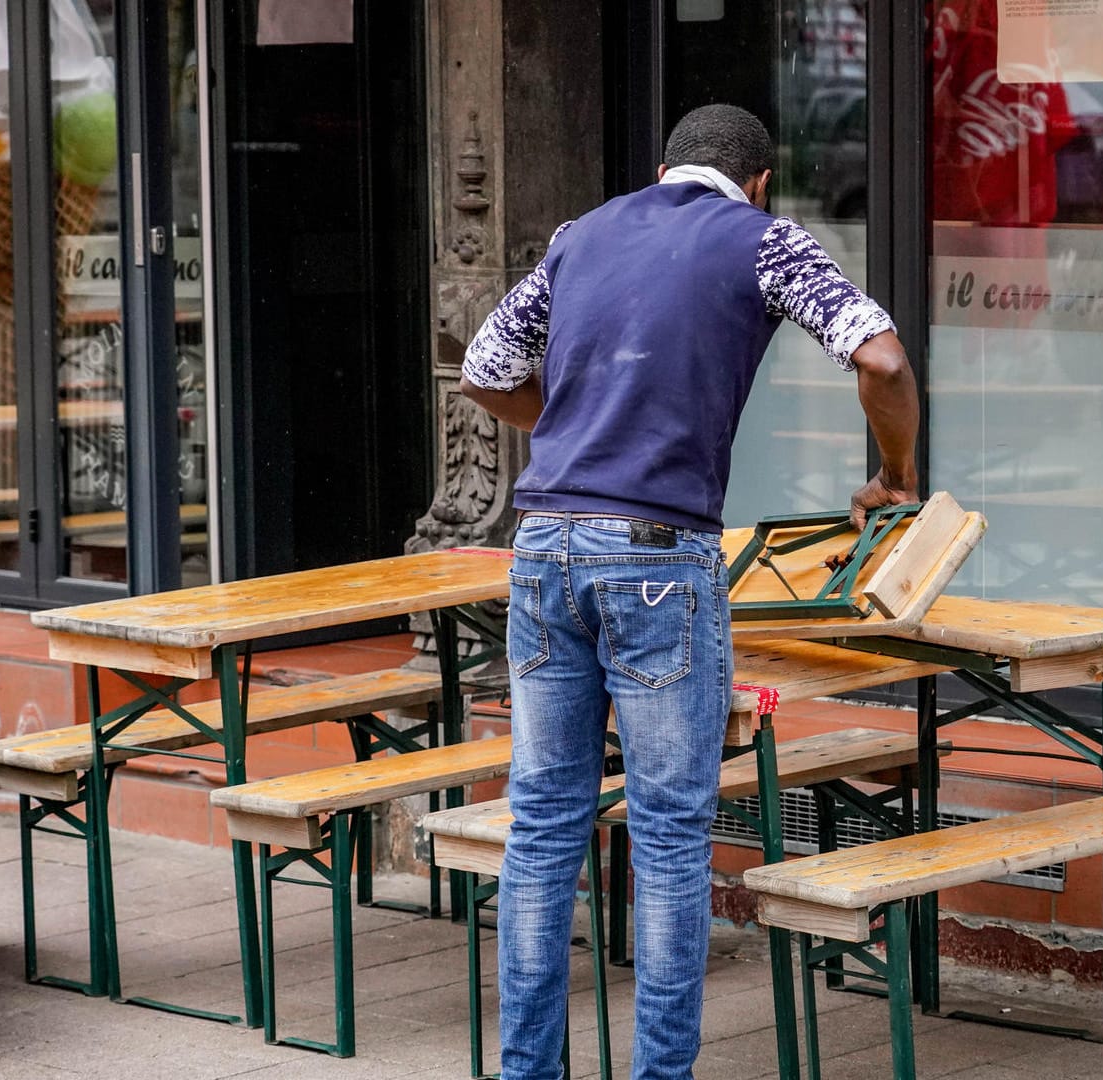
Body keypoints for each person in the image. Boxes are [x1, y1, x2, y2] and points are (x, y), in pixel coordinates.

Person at [458, 103, 921, 1080]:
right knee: (669, 837)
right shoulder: (764, 241)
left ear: (664, 168)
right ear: (757, 182)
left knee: (542, 824)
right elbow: (879, 355)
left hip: (542, 545)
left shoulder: (581, 235)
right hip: (659, 557)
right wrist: (896, 474)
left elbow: (485, 368)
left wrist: (567, 429)